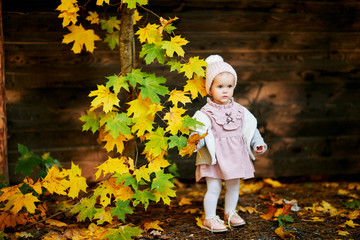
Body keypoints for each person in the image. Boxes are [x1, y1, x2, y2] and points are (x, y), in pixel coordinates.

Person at [191, 55, 267, 233]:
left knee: (234, 185)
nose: (225, 90)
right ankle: (209, 218)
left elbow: (250, 128)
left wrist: (257, 143)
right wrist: (196, 140)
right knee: (214, 187)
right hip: (215, 157)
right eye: (219, 86)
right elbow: (198, 131)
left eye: (229, 86)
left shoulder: (240, 110)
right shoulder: (205, 112)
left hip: (235, 155)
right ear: (209, 89)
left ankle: (230, 213)